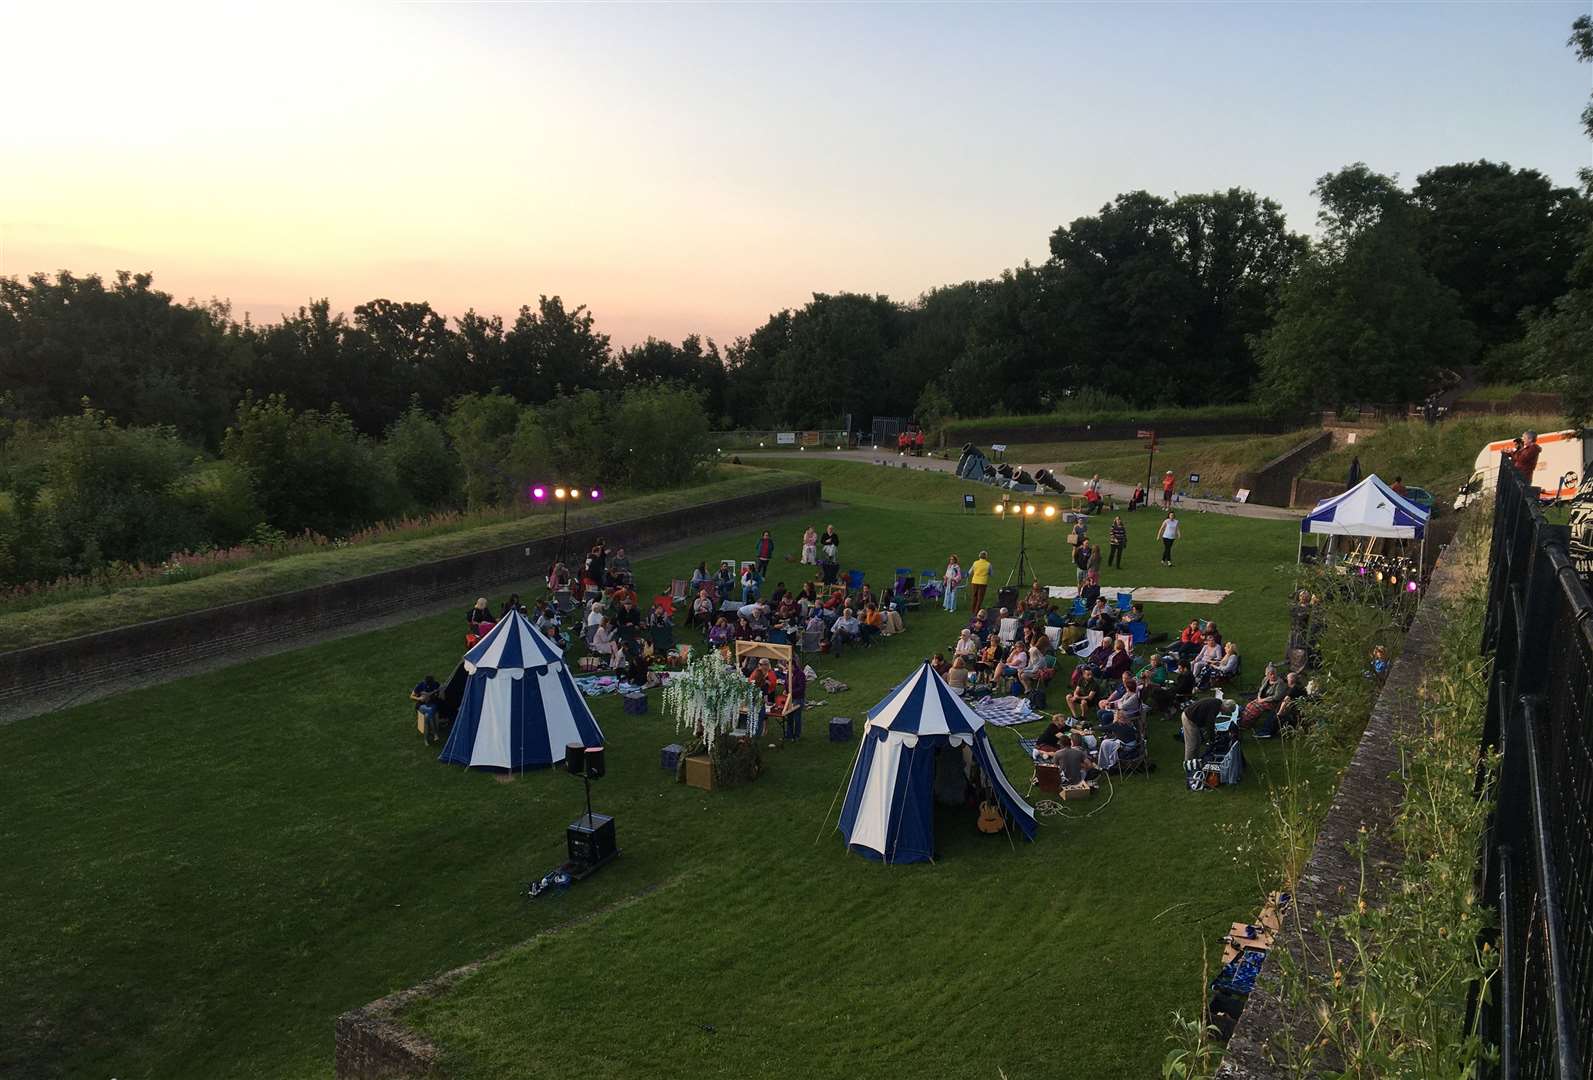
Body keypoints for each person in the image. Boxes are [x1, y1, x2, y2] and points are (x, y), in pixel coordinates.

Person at [1182, 695, 1235, 771]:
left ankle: (1196, 761)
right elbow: (1210, 723)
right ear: (1226, 707)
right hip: (1189, 718)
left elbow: (1209, 721)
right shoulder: (1216, 706)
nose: (1224, 713)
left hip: (1194, 719)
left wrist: (1212, 734)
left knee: (1198, 741)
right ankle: (1188, 765)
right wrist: (1212, 738)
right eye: (1227, 711)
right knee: (1192, 744)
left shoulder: (1217, 704)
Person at [411, 674, 442, 742]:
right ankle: (435, 734)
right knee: (429, 712)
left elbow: (441, 696)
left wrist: (440, 692)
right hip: (422, 705)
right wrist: (419, 698)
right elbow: (411, 696)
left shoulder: (436, 684)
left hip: (433, 704)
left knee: (428, 714)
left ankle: (433, 734)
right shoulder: (420, 685)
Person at [968, 550, 993, 615]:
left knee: (974, 596)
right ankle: (977, 611)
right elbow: (991, 574)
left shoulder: (975, 563)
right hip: (983, 582)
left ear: (979, 556)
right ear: (986, 557)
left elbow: (970, 572)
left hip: (974, 581)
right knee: (980, 597)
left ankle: (972, 610)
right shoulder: (988, 564)